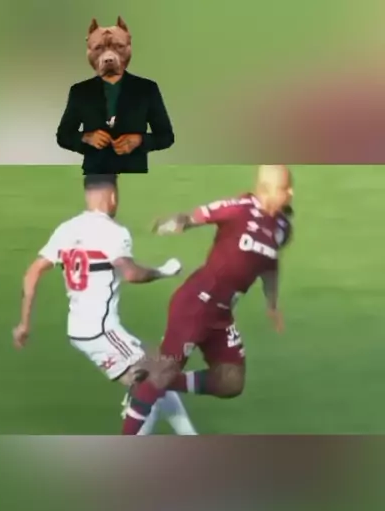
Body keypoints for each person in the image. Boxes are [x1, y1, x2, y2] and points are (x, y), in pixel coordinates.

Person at [12, 174, 196, 435]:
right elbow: (131, 274)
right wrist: (163, 271)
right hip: (100, 331)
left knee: (160, 369)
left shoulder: (66, 229)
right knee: (153, 381)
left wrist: (24, 324)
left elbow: (32, 272)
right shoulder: (113, 232)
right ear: (112, 196)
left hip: (80, 329)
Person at [121, 165, 295, 435]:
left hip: (221, 315)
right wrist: (173, 223)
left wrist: (271, 304)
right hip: (196, 304)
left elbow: (270, 263)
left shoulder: (282, 227)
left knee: (231, 381)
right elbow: (196, 216)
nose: (291, 193)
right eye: (285, 188)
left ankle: (154, 380)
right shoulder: (238, 209)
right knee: (163, 372)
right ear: (265, 189)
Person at [56, 17, 174, 175]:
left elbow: (166, 136)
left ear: (129, 45)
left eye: (118, 47)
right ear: (88, 49)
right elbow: (63, 136)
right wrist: (86, 137)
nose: (109, 57)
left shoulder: (147, 89)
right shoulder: (80, 91)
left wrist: (139, 140)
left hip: (134, 174)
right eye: (99, 48)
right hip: (95, 174)